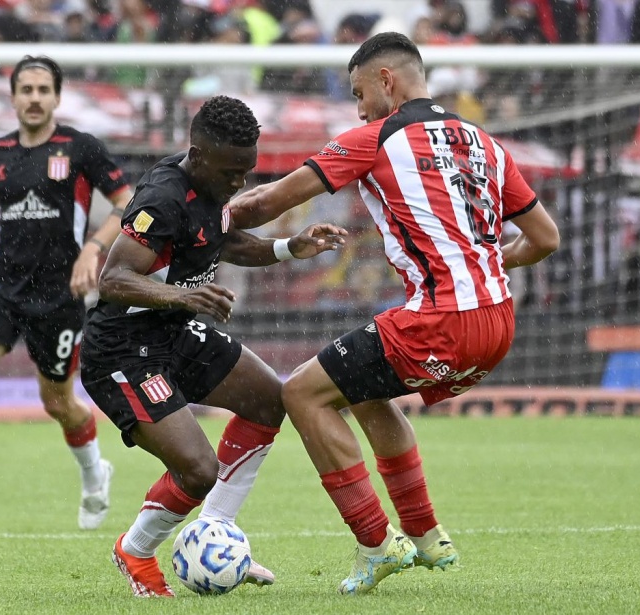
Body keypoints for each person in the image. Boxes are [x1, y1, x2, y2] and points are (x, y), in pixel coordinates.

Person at [229, 32, 560, 594]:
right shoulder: (484, 142)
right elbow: (545, 238)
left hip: (441, 319)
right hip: (498, 322)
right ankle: (427, 534)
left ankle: (376, 544)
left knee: (302, 393)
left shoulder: (375, 137)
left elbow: (263, 204)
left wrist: (186, 216)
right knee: (361, 389)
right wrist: (482, 262)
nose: (357, 108)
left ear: (387, 81)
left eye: (359, 93)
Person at [79, 95, 346, 598]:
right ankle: (135, 550)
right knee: (198, 469)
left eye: (247, 171)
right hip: (123, 351)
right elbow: (113, 278)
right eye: (232, 172)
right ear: (198, 155)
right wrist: (183, 294)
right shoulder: (161, 198)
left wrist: (292, 247)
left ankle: (213, 535)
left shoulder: (211, 183)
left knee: (270, 400)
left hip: (172, 331)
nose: (239, 183)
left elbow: (222, 240)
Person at [0, 56, 133, 532]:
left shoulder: (81, 148)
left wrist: (91, 251)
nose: (34, 99)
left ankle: (96, 473)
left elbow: (127, 204)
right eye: (26, 90)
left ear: (57, 96)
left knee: (57, 402)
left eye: (42, 90)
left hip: (58, 293)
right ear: (13, 97)